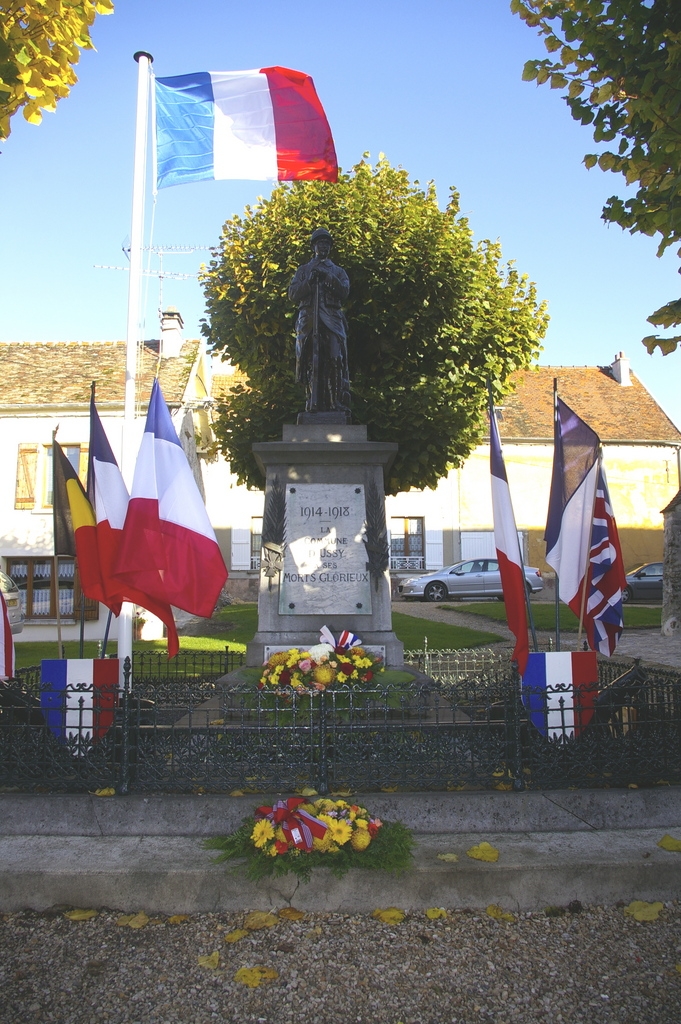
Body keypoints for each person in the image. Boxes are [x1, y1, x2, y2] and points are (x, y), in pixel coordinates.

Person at [289, 228, 350, 415]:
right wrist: (309, 281)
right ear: (313, 246)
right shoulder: (304, 270)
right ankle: (311, 400)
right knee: (310, 361)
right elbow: (293, 294)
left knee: (335, 358)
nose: (323, 246)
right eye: (319, 243)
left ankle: (335, 402)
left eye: (326, 243)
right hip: (309, 320)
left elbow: (344, 292)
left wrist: (328, 277)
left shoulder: (338, 271)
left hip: (331, 320)